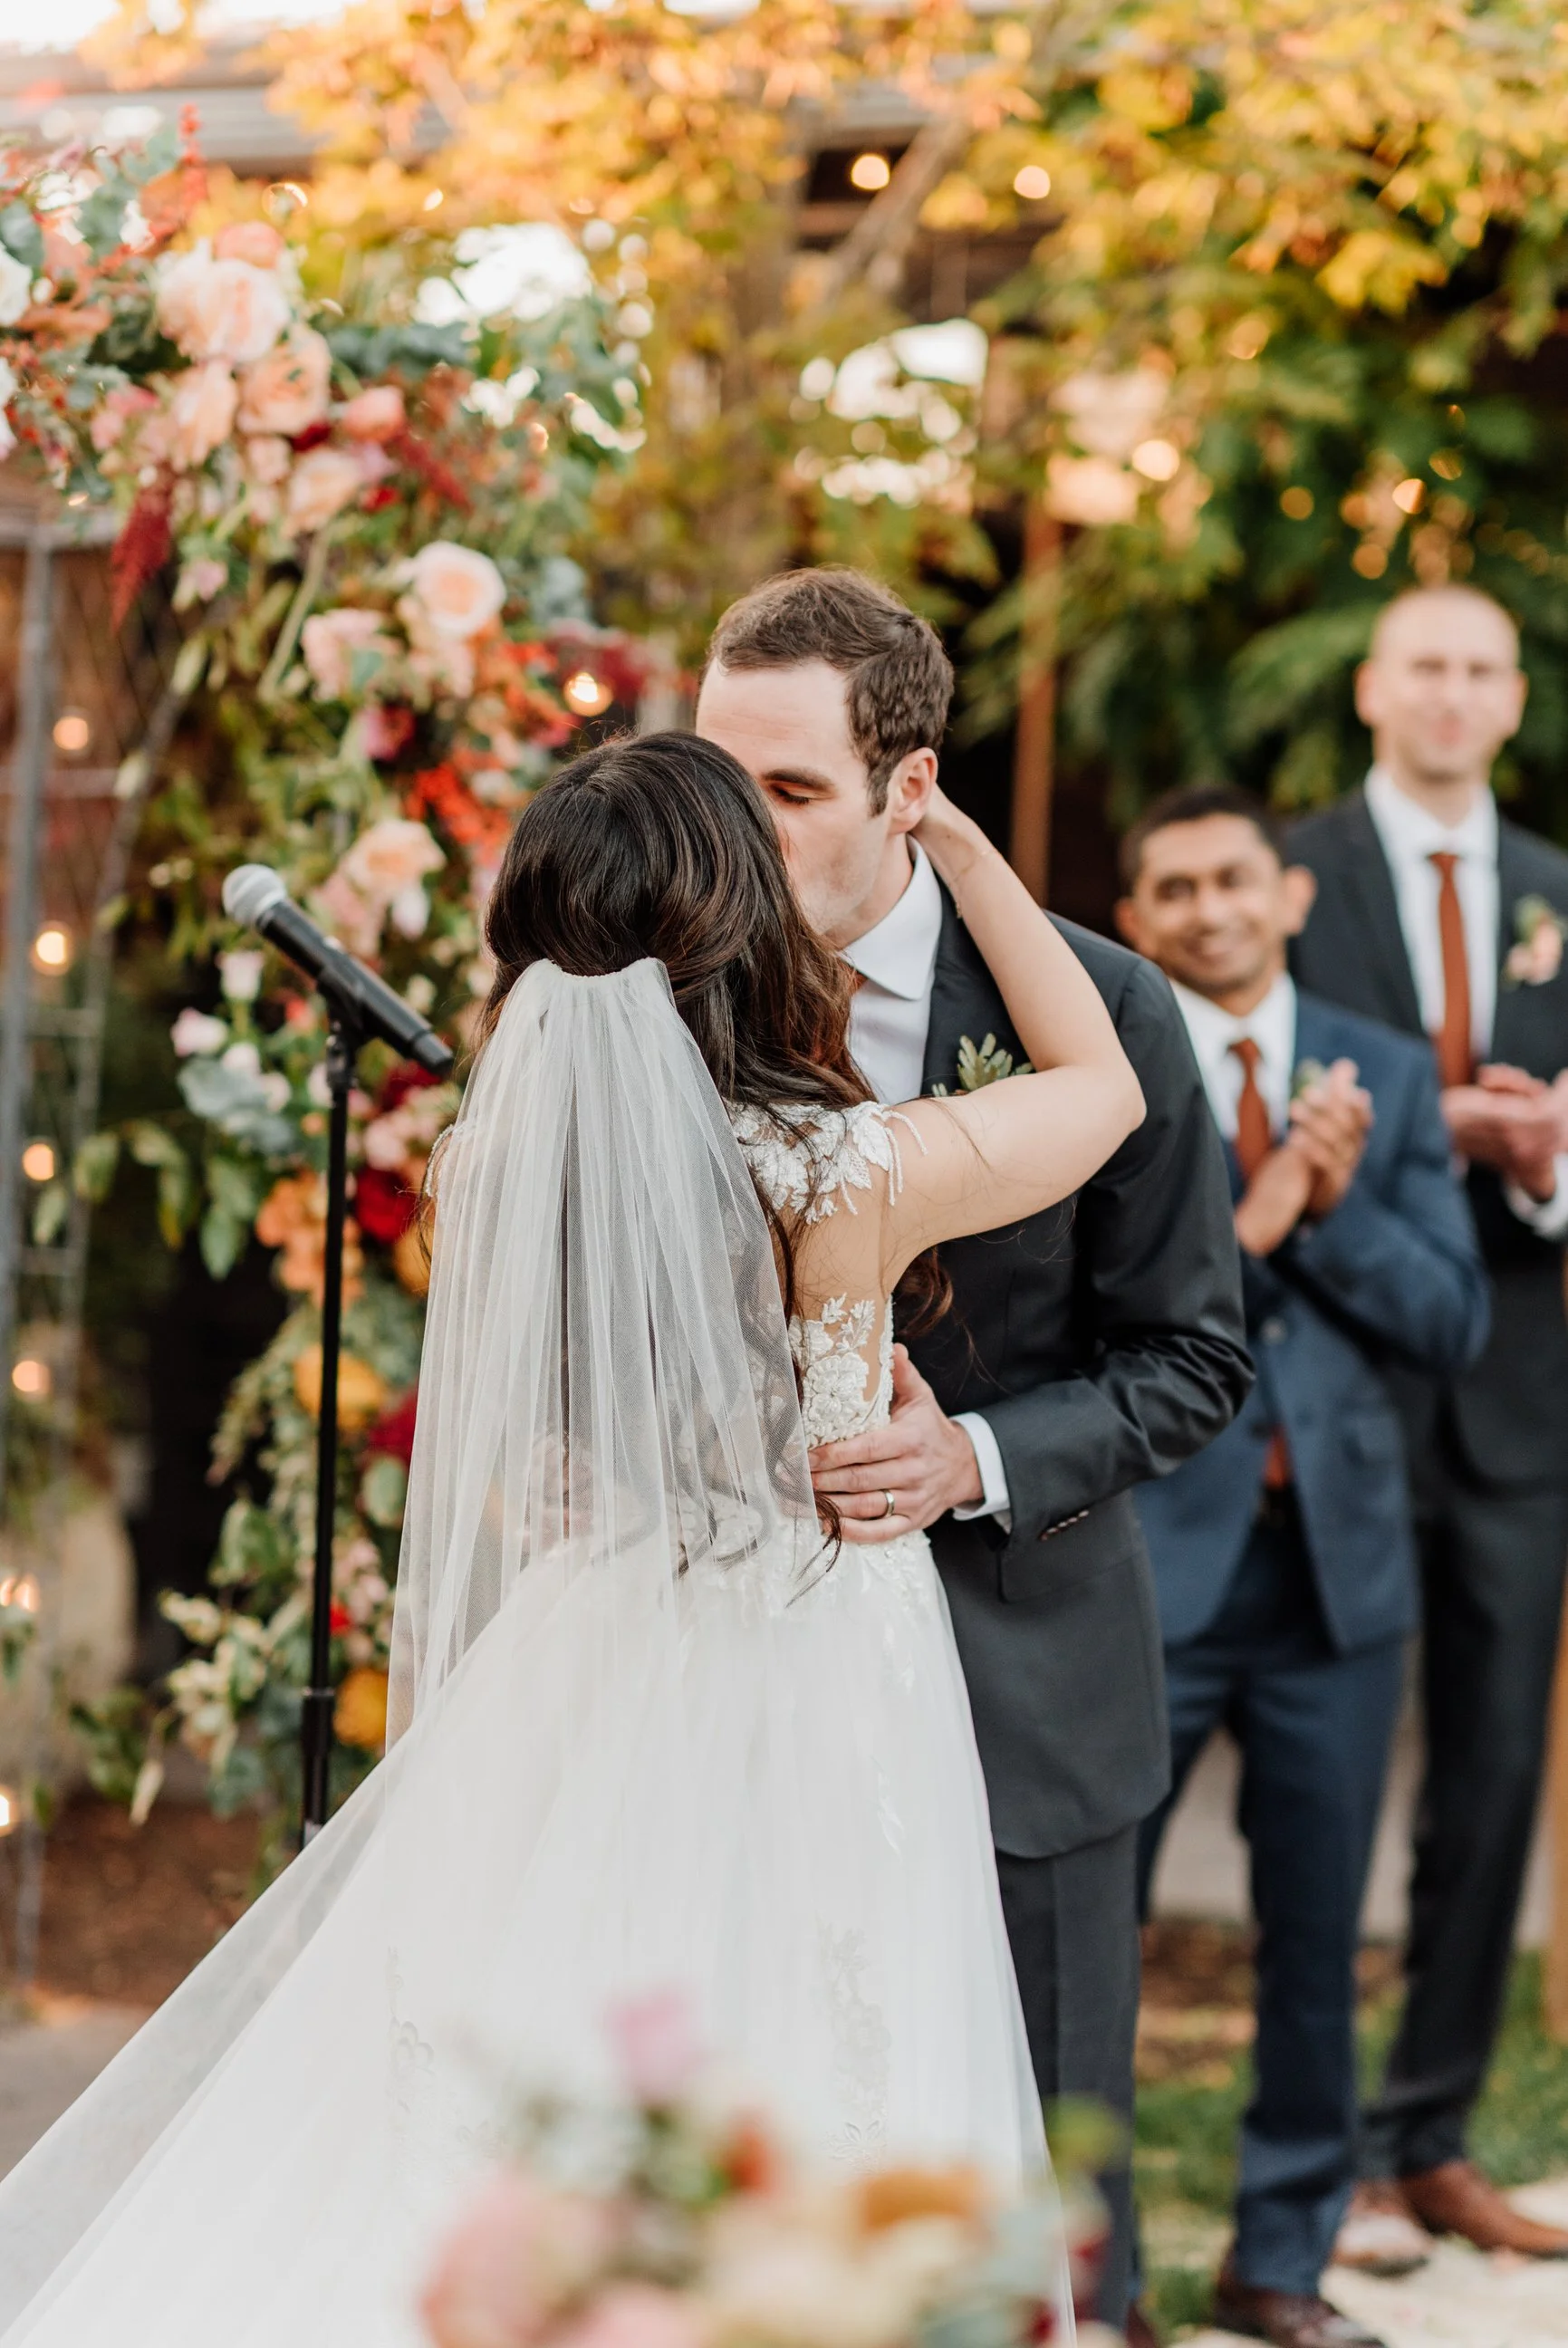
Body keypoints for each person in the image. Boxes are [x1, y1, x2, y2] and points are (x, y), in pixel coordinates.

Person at [0, 732, 1144, 2344]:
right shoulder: (841, 1171)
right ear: (740, 923)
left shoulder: (493, 1163)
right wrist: (948, 840)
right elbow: (1105, 1088)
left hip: (595, 1643)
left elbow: (558, 1426)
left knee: (573, 2032)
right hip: (816, 1657)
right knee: (809, 2037)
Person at [696, 569, 1255, 2333]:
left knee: (1053, 2202)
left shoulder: (1109, 1013)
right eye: (719, 778)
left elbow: (1193, 1354)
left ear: (907, 786)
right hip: (746, 1685)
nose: (740, 828)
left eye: (786, 791)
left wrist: (979, 1457)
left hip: (1030, 1681)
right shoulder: (662, 1007)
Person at [1114, 784, 1488, 2348]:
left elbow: (1453, 1318)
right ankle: (1090, 2279)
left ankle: (1279, 2257)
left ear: (1287, 894)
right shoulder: (1107, 1066)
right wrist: (1254, 1220)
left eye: (1230, 880)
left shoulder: (1387, 1074)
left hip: (1335, 1579)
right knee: (1087, 1943)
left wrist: (1326, 1216)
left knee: (1317, 1946)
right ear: (1133, 920)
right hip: (1141, 1570)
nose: (1205, 909)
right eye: (1171, 889)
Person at [1286, 584, 1568, 2268]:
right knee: (1318, 1773)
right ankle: (1312, 2159)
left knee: (1491, 1770)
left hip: (1518, 1399)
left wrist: (1540, 1162)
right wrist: (1420, 1132)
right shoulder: (1294, 873)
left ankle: (1430, 2139)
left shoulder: (1557, 893)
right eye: (1426, 669)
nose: (1453, 697)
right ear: (1374, 688)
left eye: (1481, 672)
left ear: (1513, 701)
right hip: (1335, 1377)